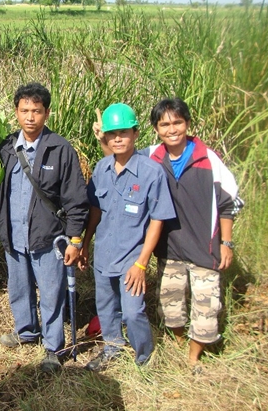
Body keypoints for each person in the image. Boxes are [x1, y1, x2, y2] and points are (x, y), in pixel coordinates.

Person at [0, 82, 88, 373]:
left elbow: (76, 199)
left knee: (51, 293)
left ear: (47, 113)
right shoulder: (6, 148)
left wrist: (75, 240)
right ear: (16, 112)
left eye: (36, 111)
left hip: (47, 237)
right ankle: (26, 331)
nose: (30, 117)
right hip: (13, 235)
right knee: (19, 288)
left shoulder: (60, 150)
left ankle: (53, 347)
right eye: (24, 110)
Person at [144, 97, 243, 365]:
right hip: (170, 247)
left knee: (206, 307)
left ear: (187, 123)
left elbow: (228, 203)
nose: (172, 129)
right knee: (170, 303)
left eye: (177, 122)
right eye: (164, 125)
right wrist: (103, 138)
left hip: (204, 247)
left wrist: (226, 243)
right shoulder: (152, 156)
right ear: (156, 128)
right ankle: (178, 341)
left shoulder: (208, 158)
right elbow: (121, 156)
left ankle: (194, 356)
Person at [81, 103, 175, 371]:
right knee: (106, 307)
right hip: (103, 255)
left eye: (123, 132)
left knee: (133, 312)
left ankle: (144, 357)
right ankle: (112, 348)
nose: (118, 139)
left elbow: (157, 220)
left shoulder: (151, 172)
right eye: (112, 134)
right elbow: (95, 210)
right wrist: (85, 244)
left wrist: (141, 264)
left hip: (132, 259)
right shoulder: (102, 169)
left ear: (135, 134)